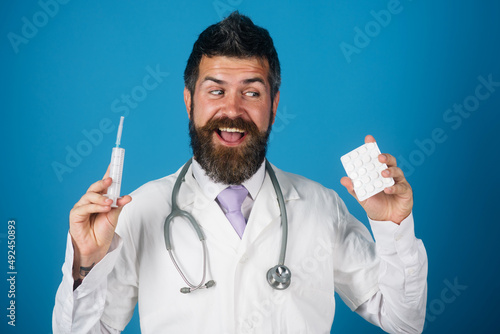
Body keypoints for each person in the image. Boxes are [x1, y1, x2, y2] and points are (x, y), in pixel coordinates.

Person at [53, 12, 427, 334]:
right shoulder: (141, 210)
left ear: (274, 104)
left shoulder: (320, 207)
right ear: (189, 101)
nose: (232, 110)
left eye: (251, 93)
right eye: (216, 91)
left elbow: (403, 321)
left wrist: (394, 227)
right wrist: (85, 263)